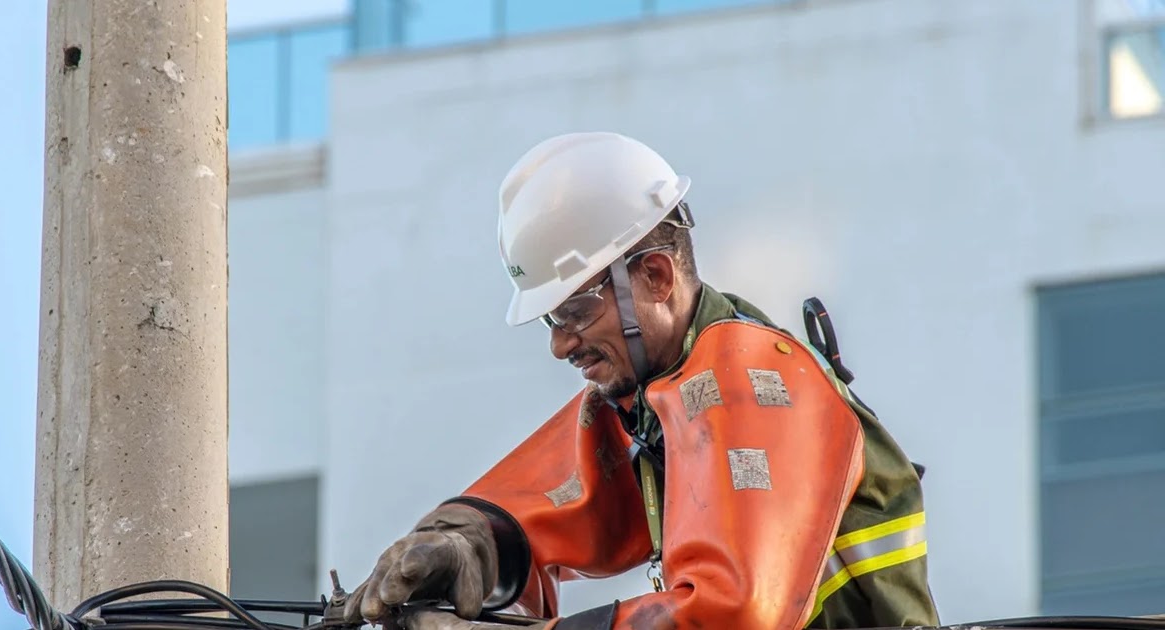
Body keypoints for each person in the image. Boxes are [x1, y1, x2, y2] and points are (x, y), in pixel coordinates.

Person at [344, 132, 940, 630]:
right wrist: (464, 542)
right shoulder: (663, 396)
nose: (559, 345)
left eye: (575, 312)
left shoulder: (751, 382)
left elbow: (734, 615)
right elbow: (561, 497)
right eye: (553, 320)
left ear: (655, 276)